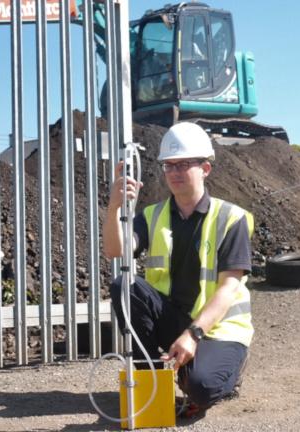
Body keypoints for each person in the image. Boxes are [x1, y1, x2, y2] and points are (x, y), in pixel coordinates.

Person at [103, 122, 254, 413]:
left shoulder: (231, 218)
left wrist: (193, 335)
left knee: (203, 389)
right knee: (124, 286)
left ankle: (226, 372)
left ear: (205, 169)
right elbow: (114, 250)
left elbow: (228, 288)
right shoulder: (153, 215)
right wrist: (114, 208)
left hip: (218, 329)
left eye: (183, 164)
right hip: (175, 318)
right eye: (168, 165)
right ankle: (150, 384)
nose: (174, 172)